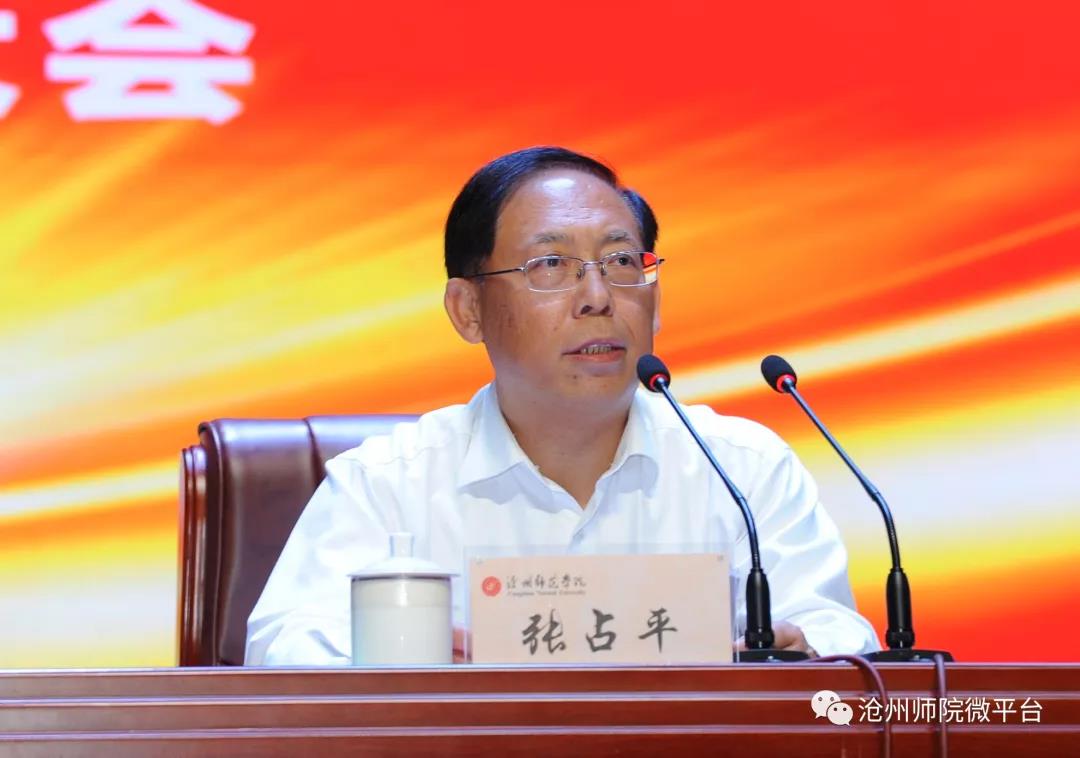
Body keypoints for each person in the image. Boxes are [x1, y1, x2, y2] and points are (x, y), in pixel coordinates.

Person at [245, 146, 879, 665]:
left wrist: (802, 651)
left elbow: (838, 636)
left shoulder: (743, 469)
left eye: (622, 261)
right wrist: (422, 662)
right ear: (468, 310)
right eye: (550, 265)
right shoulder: (387, 484)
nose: (597, 295)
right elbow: (285, 652)